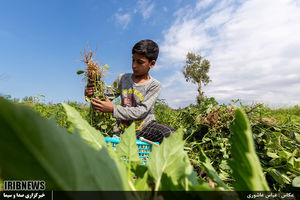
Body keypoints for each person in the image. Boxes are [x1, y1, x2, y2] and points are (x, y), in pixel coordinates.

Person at [85, 39, 175, 143]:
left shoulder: (154, 85)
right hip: (123, 130)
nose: (134, 65)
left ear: (152, 64)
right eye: (133, 60)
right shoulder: (122, 79)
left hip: (144, 128)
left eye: (140, 62)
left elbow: (142, 111)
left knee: (170, 133)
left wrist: (113, 109)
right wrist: (91, 94)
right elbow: (104, 98)